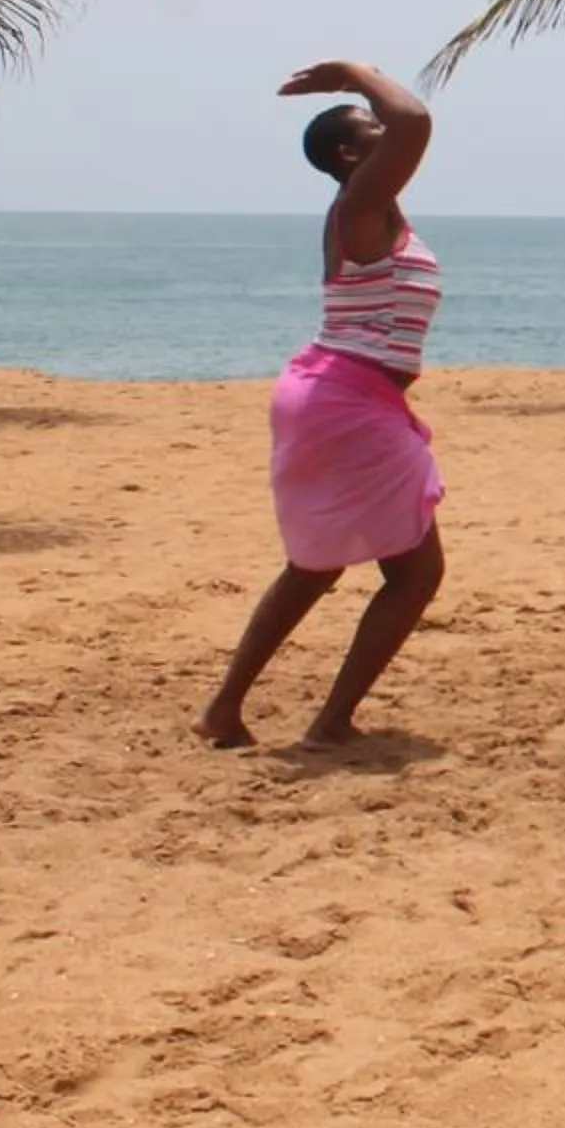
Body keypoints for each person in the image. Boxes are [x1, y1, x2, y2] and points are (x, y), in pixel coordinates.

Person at [195, 62, 446, 749]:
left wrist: (358, 91)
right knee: (417, 572)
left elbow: (404, 128)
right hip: (346, 399)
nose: (389, 132)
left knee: (317, 564)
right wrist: (354, 74)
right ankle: (330, 722)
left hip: (340, 395)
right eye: (373, 130)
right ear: (349, 155)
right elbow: (416, 121)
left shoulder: (373, 211)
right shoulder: (359, 209)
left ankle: (224, 711)